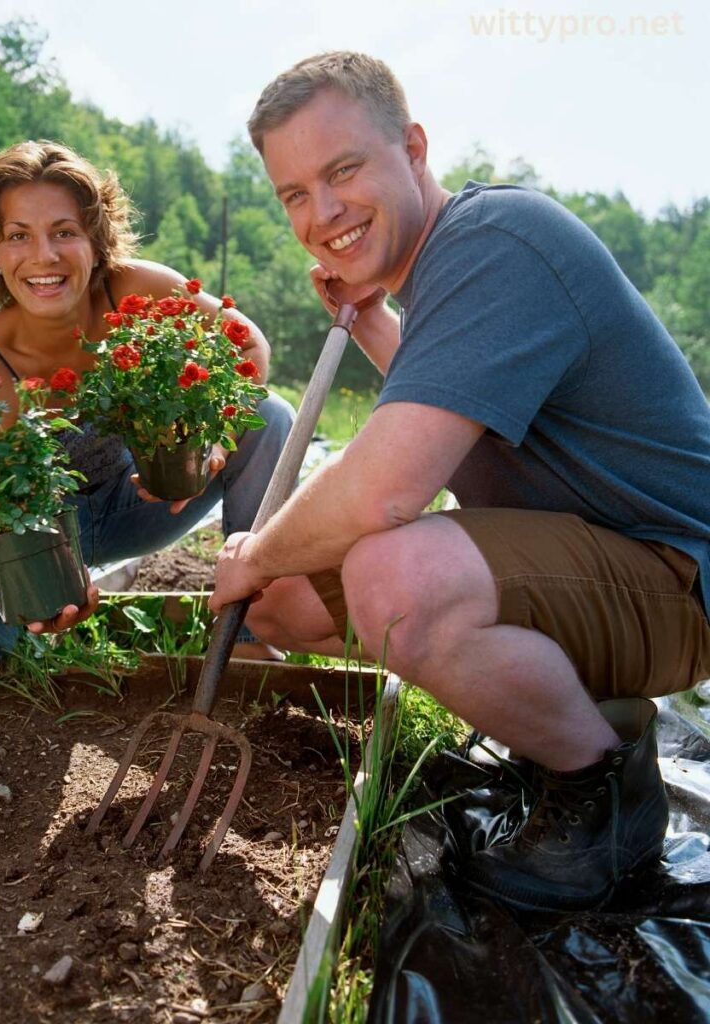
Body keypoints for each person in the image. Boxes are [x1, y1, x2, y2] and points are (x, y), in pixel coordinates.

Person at [209, 51, 710, 912]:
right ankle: (560, 717)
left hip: (678, 575)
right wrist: (372, 323)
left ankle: (602, 792)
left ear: (413, 146)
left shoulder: (495, 242)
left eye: (343, 170)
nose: (322, 212)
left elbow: (385, 493)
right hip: (601, 557)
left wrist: (253, 550)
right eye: (294, 192)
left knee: (394, 581)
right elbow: (463, 395)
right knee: (281, 599)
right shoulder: (452, 266)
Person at [0, 140, 294, 661]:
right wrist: (45, 577)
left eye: (64, 232)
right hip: (45, 526)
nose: (43, 256)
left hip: (144, 503)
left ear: (96, 241)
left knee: (268, 416)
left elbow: (246, 341)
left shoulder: (136, 290)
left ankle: (249, 635)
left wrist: (209, 435)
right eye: (18, 236)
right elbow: (4, 509)